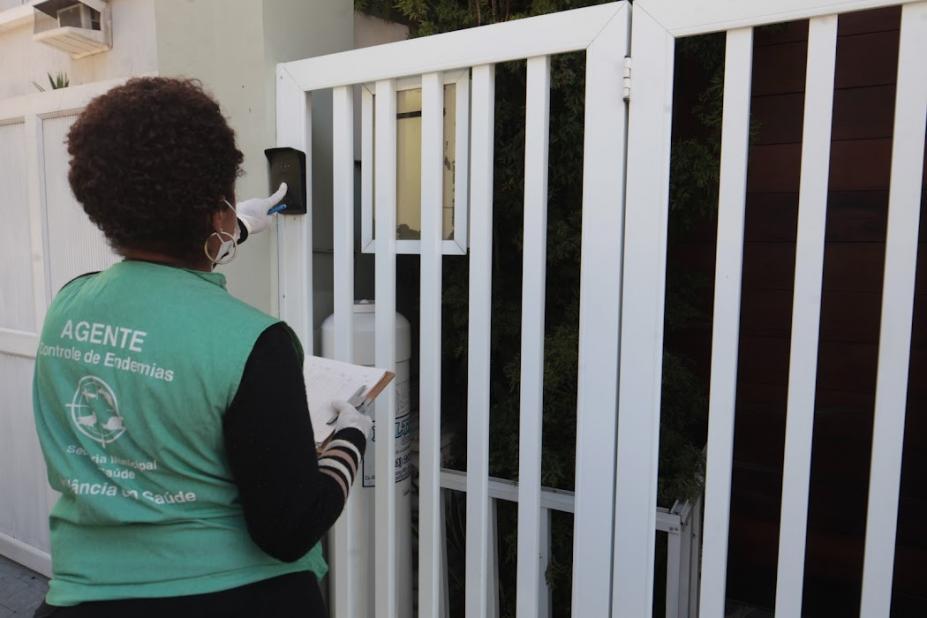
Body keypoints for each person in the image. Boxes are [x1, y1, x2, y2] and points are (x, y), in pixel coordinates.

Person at [31, 77, 370, 617]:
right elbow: (290, 528)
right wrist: (351, 438)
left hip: (83, 599)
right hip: (238, 599)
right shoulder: (255, 343)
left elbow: (159, 272)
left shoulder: (66, 309)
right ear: (217, 210)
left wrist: (239, 227)